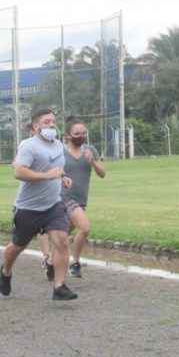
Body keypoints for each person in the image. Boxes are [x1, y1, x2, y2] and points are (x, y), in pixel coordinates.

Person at [0, 107, 78, 301]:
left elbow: (56, 169)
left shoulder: (58, 145)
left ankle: (59, 286)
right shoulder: (28, 146)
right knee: (17, 247)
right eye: (46, 122)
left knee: (61, 241)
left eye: (53, 121)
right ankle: (6, 271)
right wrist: (47, 176)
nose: (51, 125)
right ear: (35, 127)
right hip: (28, 208)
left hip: (53, 205)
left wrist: (63, 177)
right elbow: (19, 172)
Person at [62, 117, 106, 278]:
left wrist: (92, 161)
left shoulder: (90, 150)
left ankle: (52, 262)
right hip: (64, 198)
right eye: (76, 133)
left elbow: (102, 174)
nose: (81, 136)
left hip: (81, 199)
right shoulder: (60, 151)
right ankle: (75, 263)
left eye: (83, 133)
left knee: (62, 236)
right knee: (85, 228)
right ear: (67, 135)